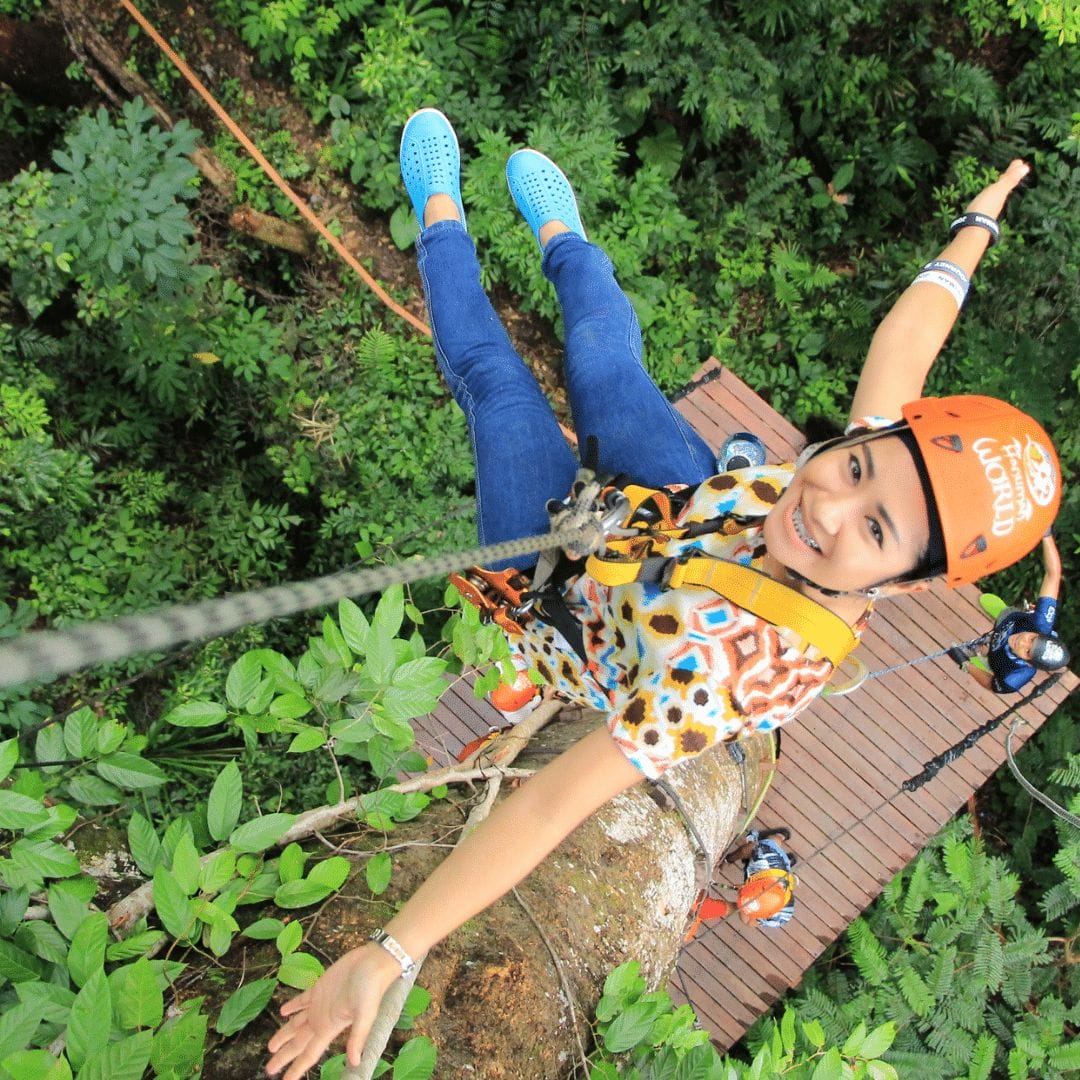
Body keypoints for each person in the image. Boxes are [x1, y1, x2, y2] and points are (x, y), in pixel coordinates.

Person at [266, 109, 1060, 1079]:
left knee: (498, 386)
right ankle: (565, 239)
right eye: (854, 468)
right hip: (683, 502)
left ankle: (437, 214)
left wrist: (392, 952)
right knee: (604, 351)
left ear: (906, 581)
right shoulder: (857, 478)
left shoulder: (725, 676)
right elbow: (912, 332)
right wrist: (980, 219)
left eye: (878, 531)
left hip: (562, 586)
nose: (832, 505)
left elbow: (550, 808)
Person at [953, 532, 1069, 692]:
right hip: (1012, 619)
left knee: (989, 655)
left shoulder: (1014, 677)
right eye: (1032, 638)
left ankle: (979, 651)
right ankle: (1000, 613)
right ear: (1041, 634)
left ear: (1030, 664)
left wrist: (966, 665)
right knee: (1006, 614)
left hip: (996, 658)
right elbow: (1053, 575)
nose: (1022, 641)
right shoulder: (1042, 622)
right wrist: (1046, 534)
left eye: (1028, 652)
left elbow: (991, 684)